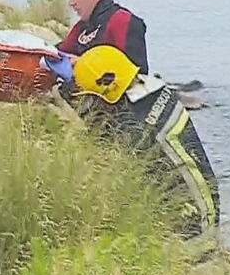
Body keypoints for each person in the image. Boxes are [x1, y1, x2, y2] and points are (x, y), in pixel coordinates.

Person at [67, 45, 220, 239]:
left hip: (190, 221)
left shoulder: (136, 127)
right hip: (202, 205)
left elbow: (106, 146)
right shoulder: (151, 90)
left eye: (91, 98)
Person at [57, 0, 148, 74]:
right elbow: (58, 53)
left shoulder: (123, 21)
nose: (71, 3)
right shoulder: (83, 27)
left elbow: (136, 74)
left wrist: (81, 63)